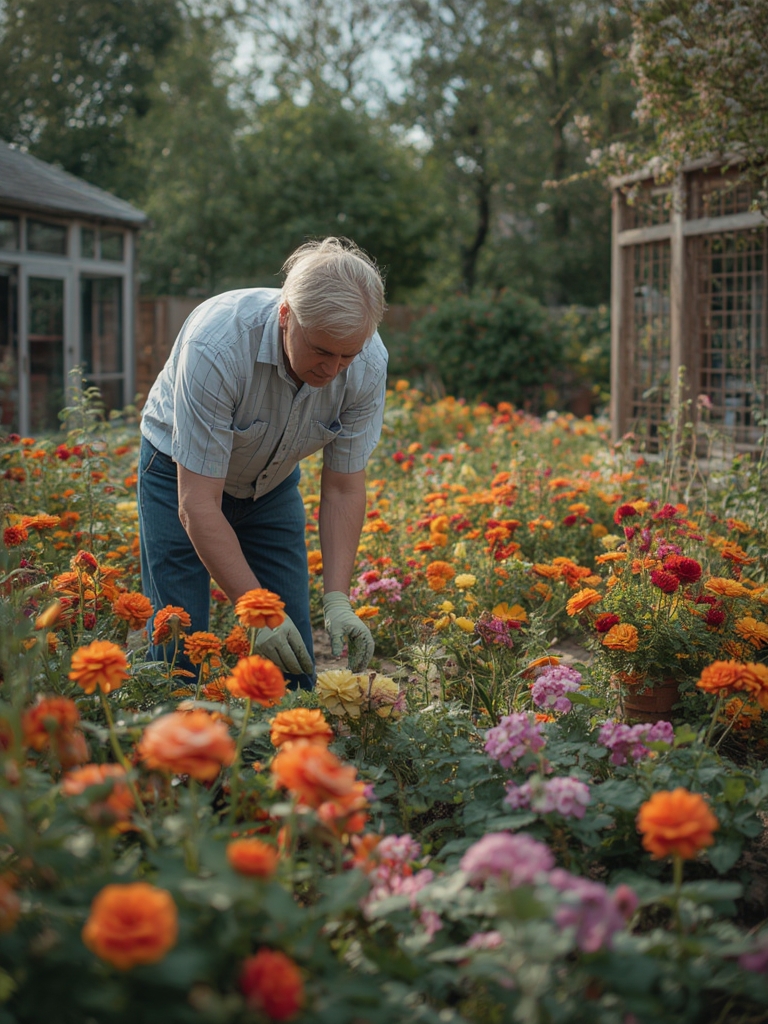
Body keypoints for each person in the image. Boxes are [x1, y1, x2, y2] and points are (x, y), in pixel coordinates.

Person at [137, 237, 388, 688]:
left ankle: (280, 751)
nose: (333, 371)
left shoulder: (367, 363)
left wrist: (337, 599)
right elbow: (198, 506)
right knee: (180, 637)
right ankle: (178, 748)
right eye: (321, 351)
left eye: (346, 355)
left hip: (270, 484)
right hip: (177, 474)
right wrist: (256, 608)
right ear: (286, 315)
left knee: (293, 661)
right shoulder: (217, 346)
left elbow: (342, 488)